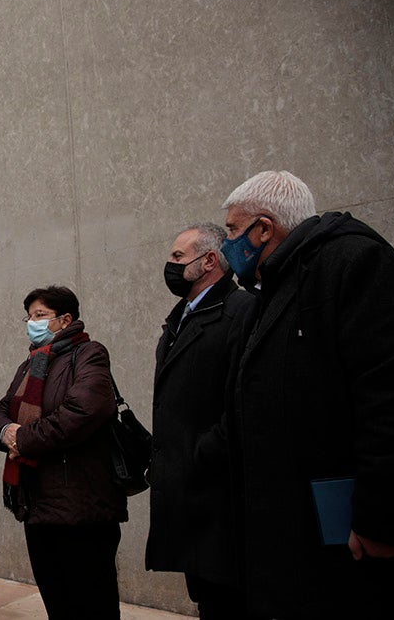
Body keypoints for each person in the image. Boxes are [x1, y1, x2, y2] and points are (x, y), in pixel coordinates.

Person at [220, 170, 394, 618]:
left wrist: (383, 520)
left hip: (347, 547)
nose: (227, 243)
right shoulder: (274, 288)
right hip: (288, 537)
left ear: (263, 228)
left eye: (232, 229)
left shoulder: (354, 264)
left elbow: (393, 398)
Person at [0, 285, 127, 620]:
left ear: (65, 319)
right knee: (58, 602)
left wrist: (23, 439)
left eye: (40, 316)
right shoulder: (31, 362)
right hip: (36, 503)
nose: (31, 323)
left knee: (92, 604)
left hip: (82, 508)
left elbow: (82, 413)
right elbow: (0, 411)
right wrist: (6, 431)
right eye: (29, 316)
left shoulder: (90, 354)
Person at [144, 224, 258, 618]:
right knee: (208, 601)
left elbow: (247, 401)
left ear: (209, 260)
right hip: (191, 501)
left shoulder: (241, 311)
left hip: (221, 500)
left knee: (230, 604)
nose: (170, 265)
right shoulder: (179, 319)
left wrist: (202, 452)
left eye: (178, 257)